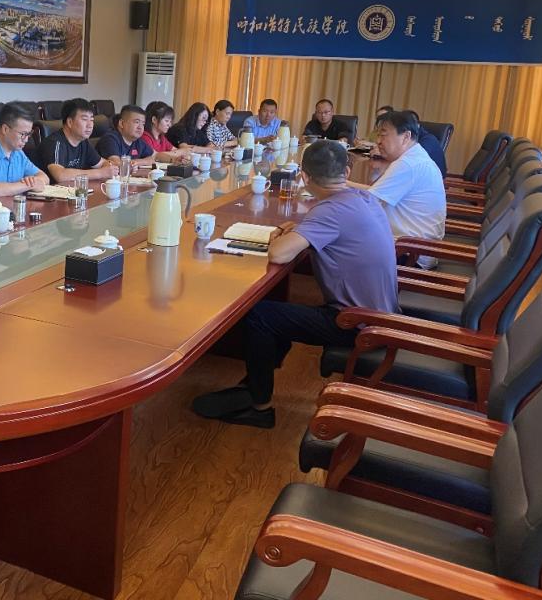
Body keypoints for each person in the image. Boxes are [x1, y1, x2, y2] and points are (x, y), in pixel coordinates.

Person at [191, 140, 399, 428]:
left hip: (358, 323)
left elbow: (278, 253)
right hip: (383, 314)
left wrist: (281, 234)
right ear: (347, 172)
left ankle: (259, 406)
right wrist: (299, 230)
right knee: (275, 313)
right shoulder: (363, 198)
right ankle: (255, 382)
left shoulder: (330, 211)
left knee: (260, 316)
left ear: (304, 177)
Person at [347, 111, 446, 268]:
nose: (378, 141)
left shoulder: (408, 164)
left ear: (406, 136)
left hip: (409, 254)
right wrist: (344, 184)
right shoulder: (415, 157)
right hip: (415, 248)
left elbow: (367, 203)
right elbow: (375, 192)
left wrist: (329, 195)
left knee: (335, 246)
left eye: (383, 135)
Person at [0, 102, 50, 198]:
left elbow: (45, 178)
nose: (26, 140)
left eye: (28, 134)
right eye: (23, 134)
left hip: (14, 205)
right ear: (5, 129)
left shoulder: (18, 152)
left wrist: (33, 182)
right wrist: (28, 185)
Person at [38, 98, 116, 183]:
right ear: (70, 122)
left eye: (92, 120)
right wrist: (100, 173)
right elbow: (60, 175)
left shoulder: (83, 142)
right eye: (85, 119)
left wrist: (110, 168)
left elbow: (102, 163)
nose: (90, 125)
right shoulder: (55, 143)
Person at [403, 109, 448, 177]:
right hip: (417, 173)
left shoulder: (428, 140)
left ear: (417, 125)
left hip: (430, 179)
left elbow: (413, 159)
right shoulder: (410, 137)